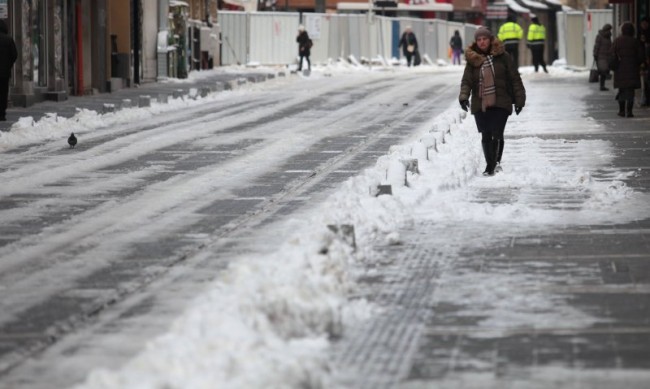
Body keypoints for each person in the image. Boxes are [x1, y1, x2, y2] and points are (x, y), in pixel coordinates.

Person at [459, 27, 526, 176]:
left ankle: (491, 166)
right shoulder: (472, 60)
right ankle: (491, 163)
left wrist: (520, 100)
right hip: (481, 101)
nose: (482, 42)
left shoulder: (503, 57)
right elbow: (466, 81)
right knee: (486, 134)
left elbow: (515, 78)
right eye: (479, 40)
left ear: (490, 40)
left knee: (497, 132)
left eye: (484, 39)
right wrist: (463, 97)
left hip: (501, 100)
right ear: (476, 42)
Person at [612, 21, 646, 117]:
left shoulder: (617, 41)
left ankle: (621, 111)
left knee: (622, 90)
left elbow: (611, 55)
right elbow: (640, 56)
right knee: (630, 91)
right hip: (632, 70)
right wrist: (638, 64)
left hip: (619, 70)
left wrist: (614, 66)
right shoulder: (635, 42)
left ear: (622, 30)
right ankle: (629, 111)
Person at [0, 19, 18, 121]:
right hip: (5, 73)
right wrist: (9, 64)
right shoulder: (8, 39)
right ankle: (2, 113)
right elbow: (14, 54)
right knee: (3, 93)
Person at [593, 24, 613, 91]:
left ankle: (602, 86)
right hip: (601, 57)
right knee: (602, 72)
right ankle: (602, 86)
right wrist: (595, 55)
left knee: (604, 72)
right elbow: (596, 46)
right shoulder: (600, 36)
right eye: (609, 30)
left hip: (607, 57)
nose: (610, 31)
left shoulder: (608, 36)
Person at [638, 17, 650, 106]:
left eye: (645, 23)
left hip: (646, 60)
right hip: (644, 61)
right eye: (642, 23)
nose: (644, 25)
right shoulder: (640, 33)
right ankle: (646, 99)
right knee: (645, 82)